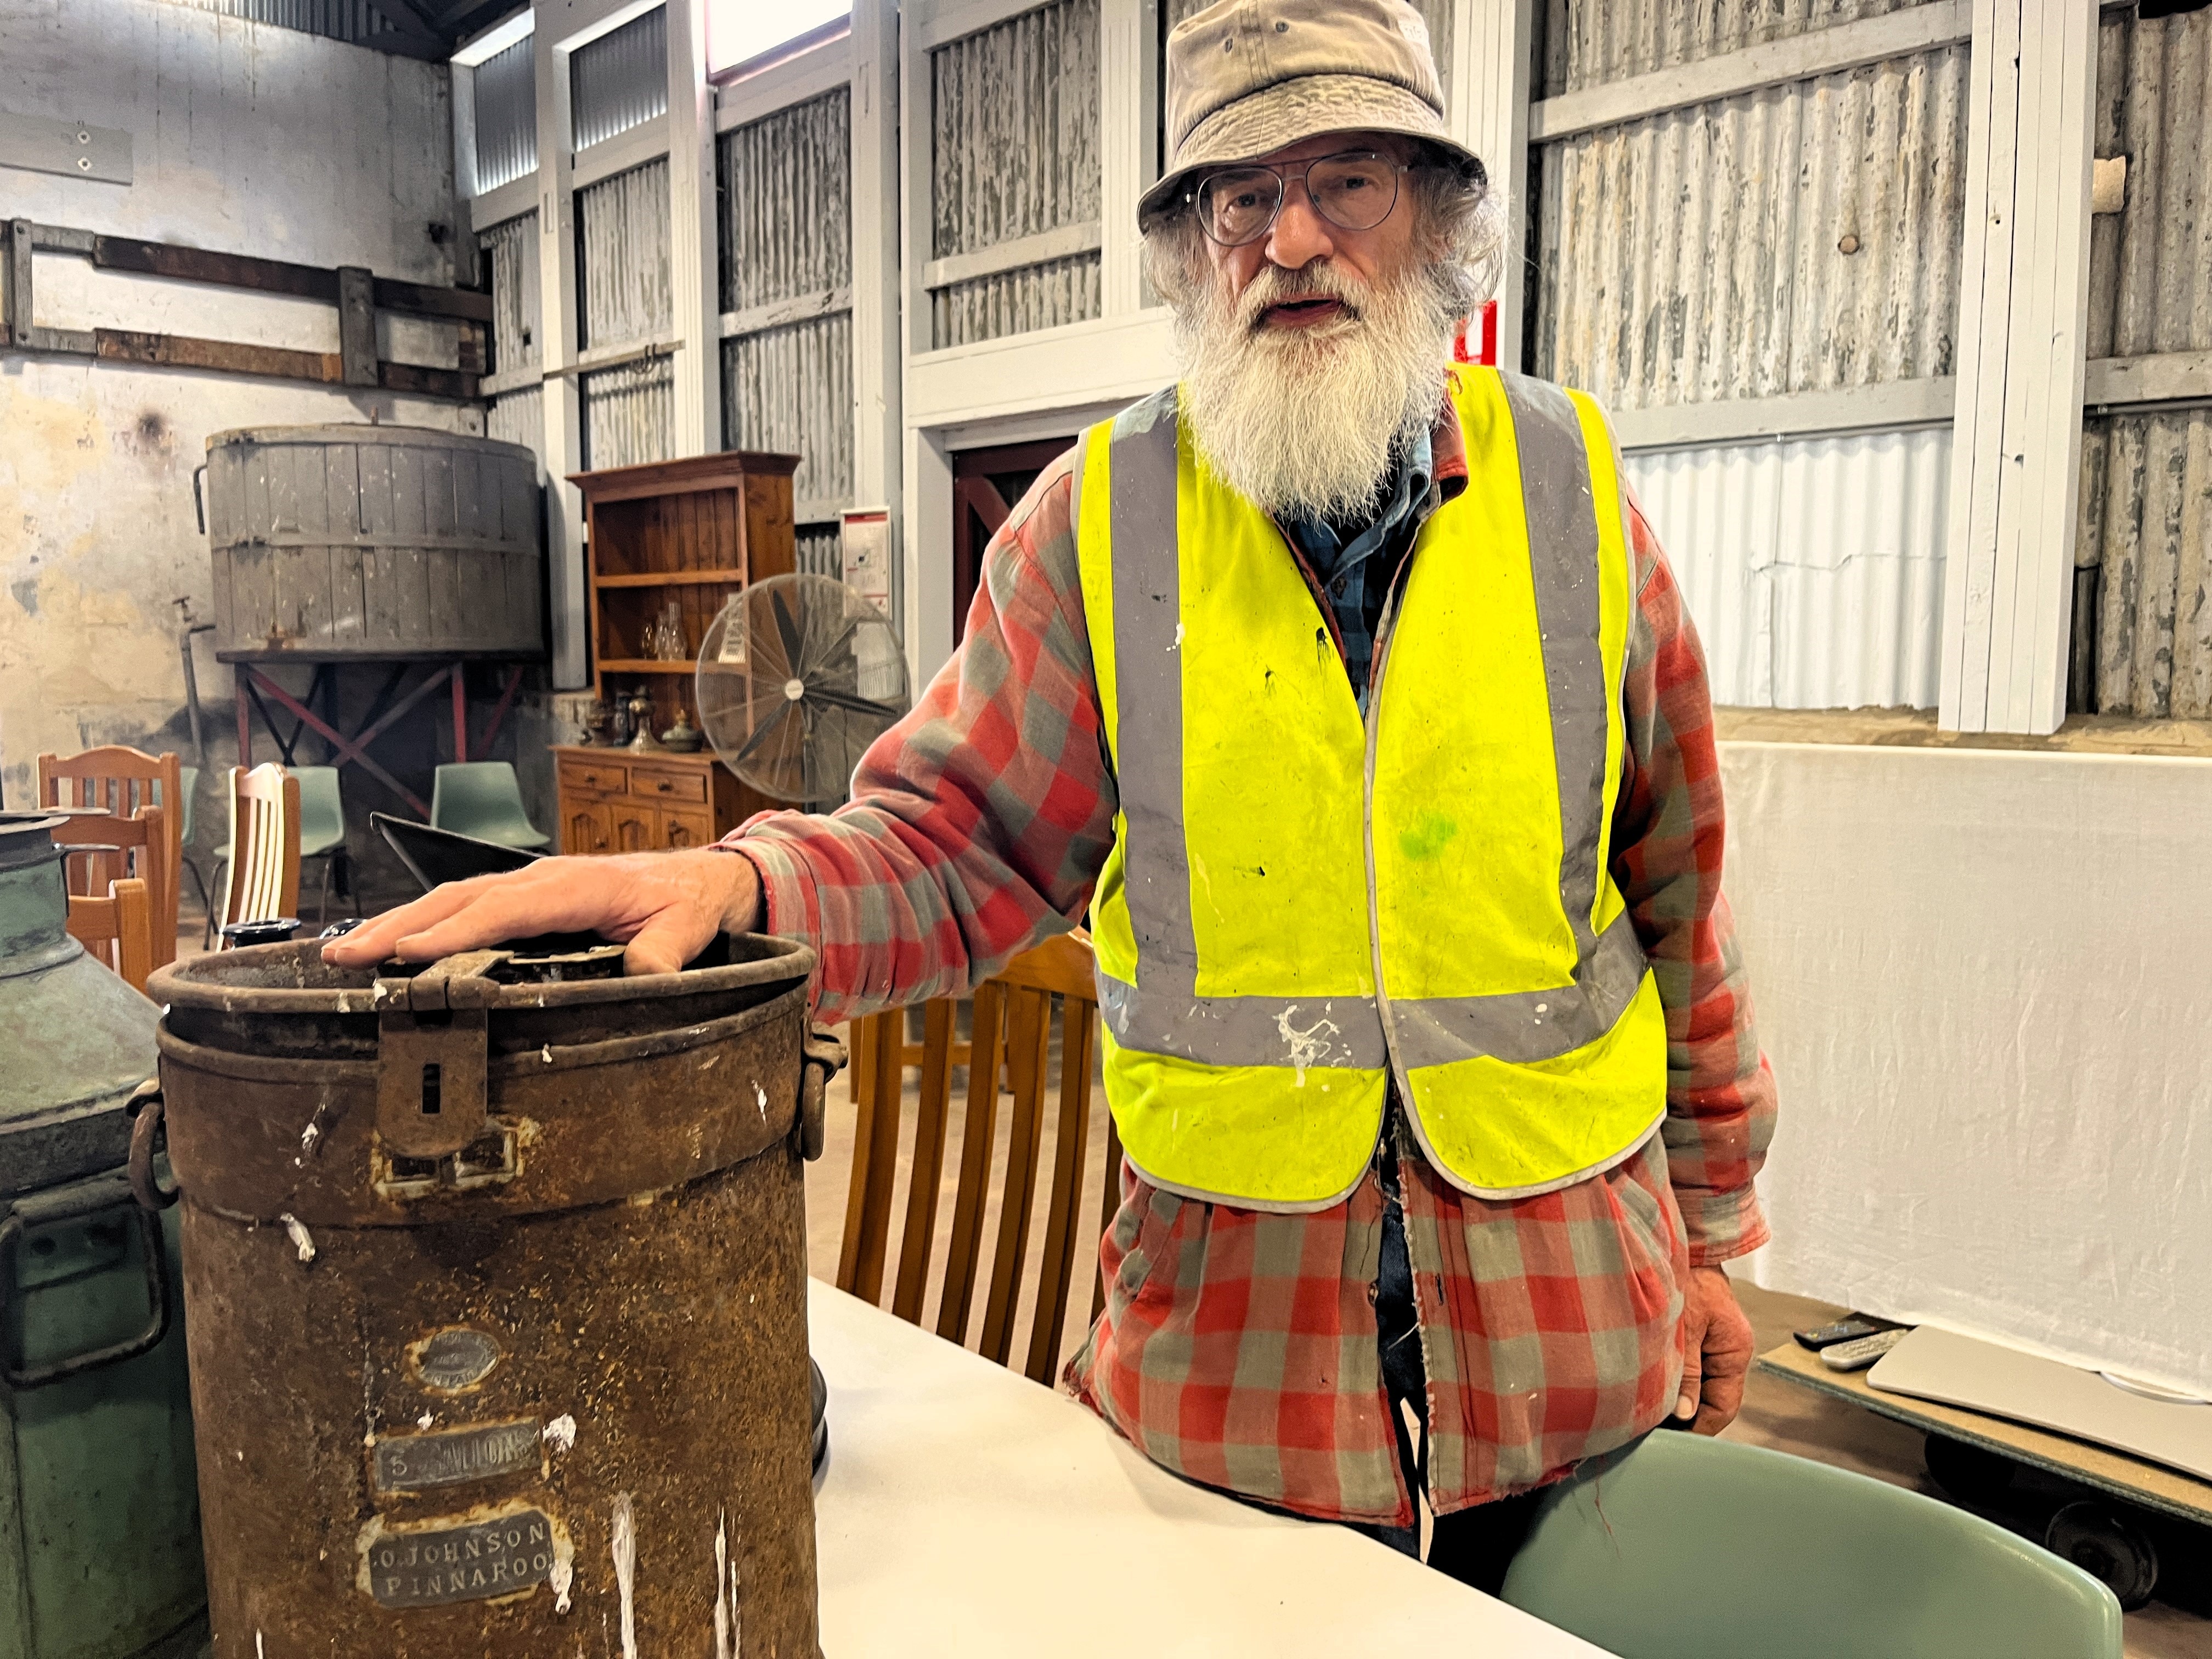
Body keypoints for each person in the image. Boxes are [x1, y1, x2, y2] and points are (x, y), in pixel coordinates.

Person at [328, 0, 1774, 1594]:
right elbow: (956, 847)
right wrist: (743, 885)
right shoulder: (1096, 526)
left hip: (1573, 1339)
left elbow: (1683, 905)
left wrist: (1714, 1240)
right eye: (1238, 197)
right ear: (1189, 249)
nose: (1289, 238)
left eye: (1346, 181)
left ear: (1436, 219)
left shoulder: (1571, 492)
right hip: (1239, 1379)